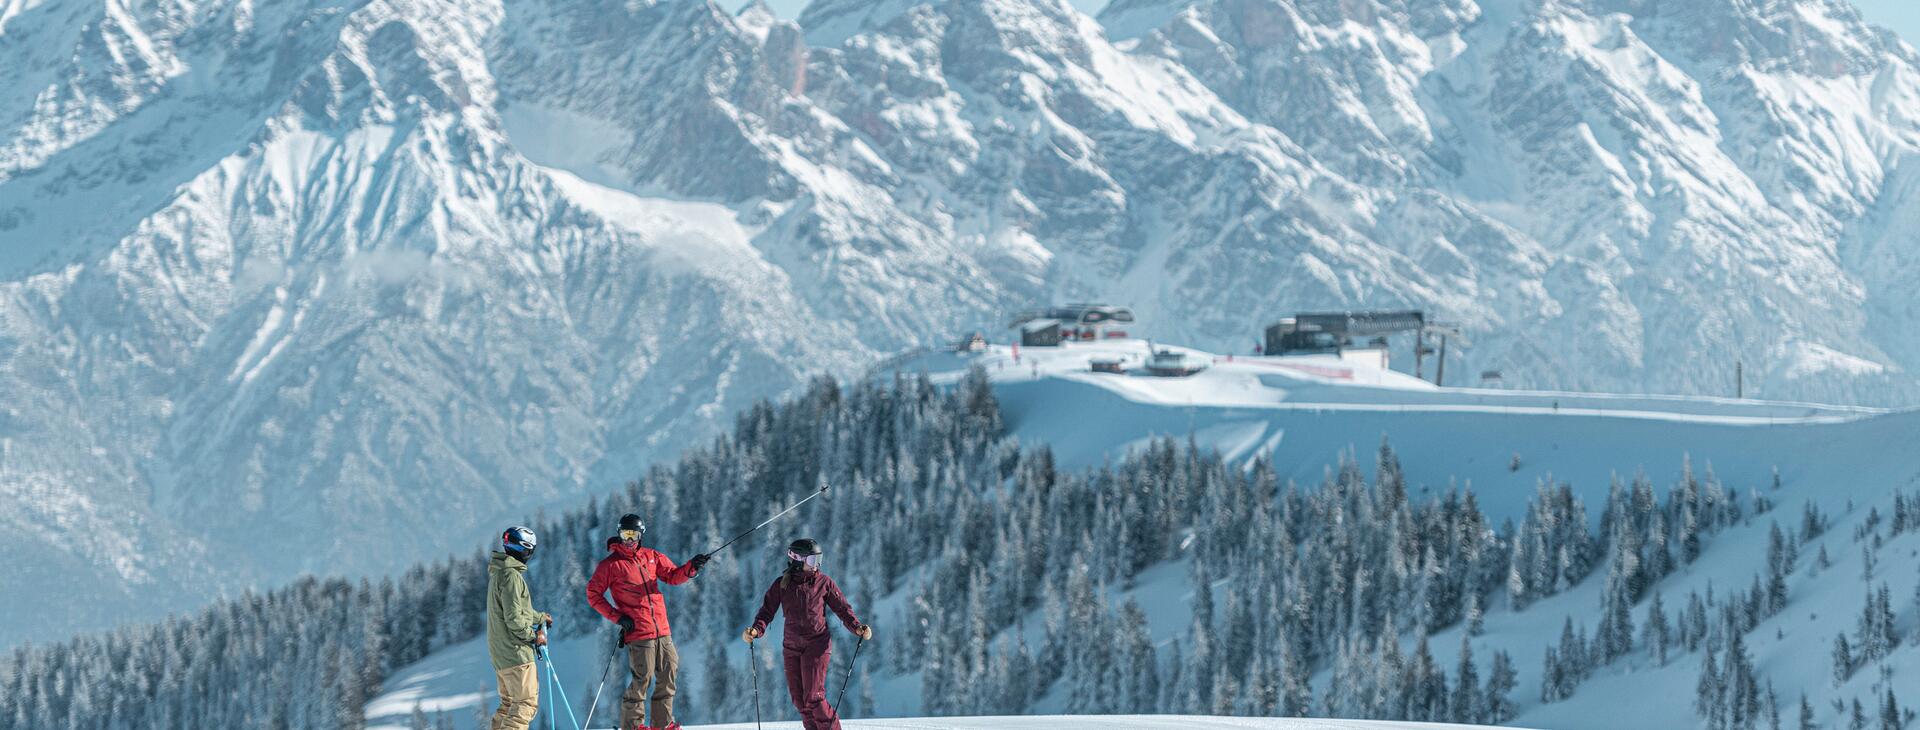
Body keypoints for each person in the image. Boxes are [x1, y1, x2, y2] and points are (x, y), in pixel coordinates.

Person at [586, 514, 712, 730]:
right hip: (638, 631)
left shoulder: (651, 556)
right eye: (625, 534)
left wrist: (692, 567)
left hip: (662, 629)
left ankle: (662, 724)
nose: (629, 539)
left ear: (640, 534)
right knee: (642, 679)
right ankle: (633, 726)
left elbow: (673, 576)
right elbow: (593, 594)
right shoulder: (611, 565)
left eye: (633, 534)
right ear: (619, 534)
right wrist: (618, 617)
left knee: (668, 676)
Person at [741, 538, 873, 730]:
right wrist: (756, 630)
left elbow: (843, 608)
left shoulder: (823, 582)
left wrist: (857, 627)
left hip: (817, 645)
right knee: (800, 702)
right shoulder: (782, 585)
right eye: (812, 561)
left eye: (818, 560)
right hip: (792, 647)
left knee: (814, 698)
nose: (816, 566)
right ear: (796, 560)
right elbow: (767, 611)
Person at [487, 526, 552, 730]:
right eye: (529, 550)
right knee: (524, 705)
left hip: (501, 653)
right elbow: (514, 618)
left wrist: (540, 617)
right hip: (516, 654)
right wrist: (534, 636)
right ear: (523, 550)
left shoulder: (500, 573)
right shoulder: (512, 577)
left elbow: (518, 609)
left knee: (508, 705)